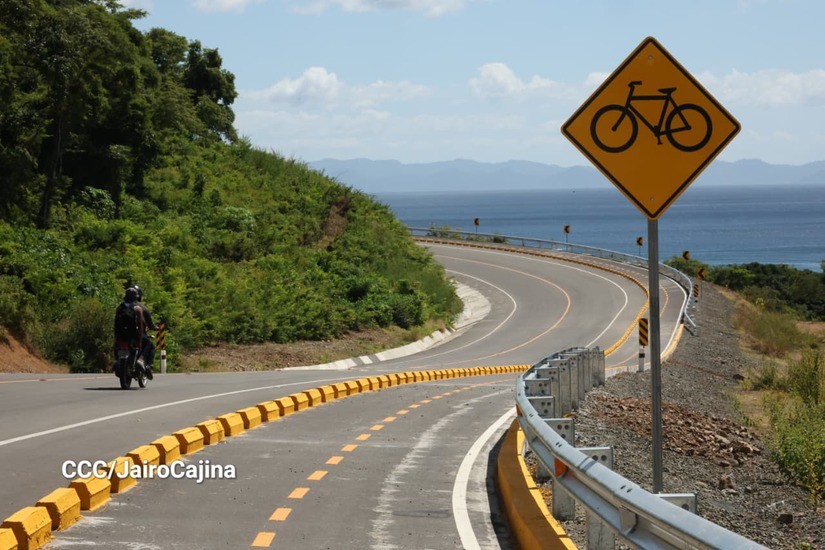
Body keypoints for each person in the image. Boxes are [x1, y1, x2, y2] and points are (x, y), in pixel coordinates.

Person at [131, 285, 156, 380]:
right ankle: (144, 362)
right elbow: (150, 324)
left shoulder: (121, 306)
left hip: (122, 335)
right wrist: (154, 327)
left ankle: (118, 361)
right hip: (137, 334)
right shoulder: (142, 308)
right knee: (150, 345)